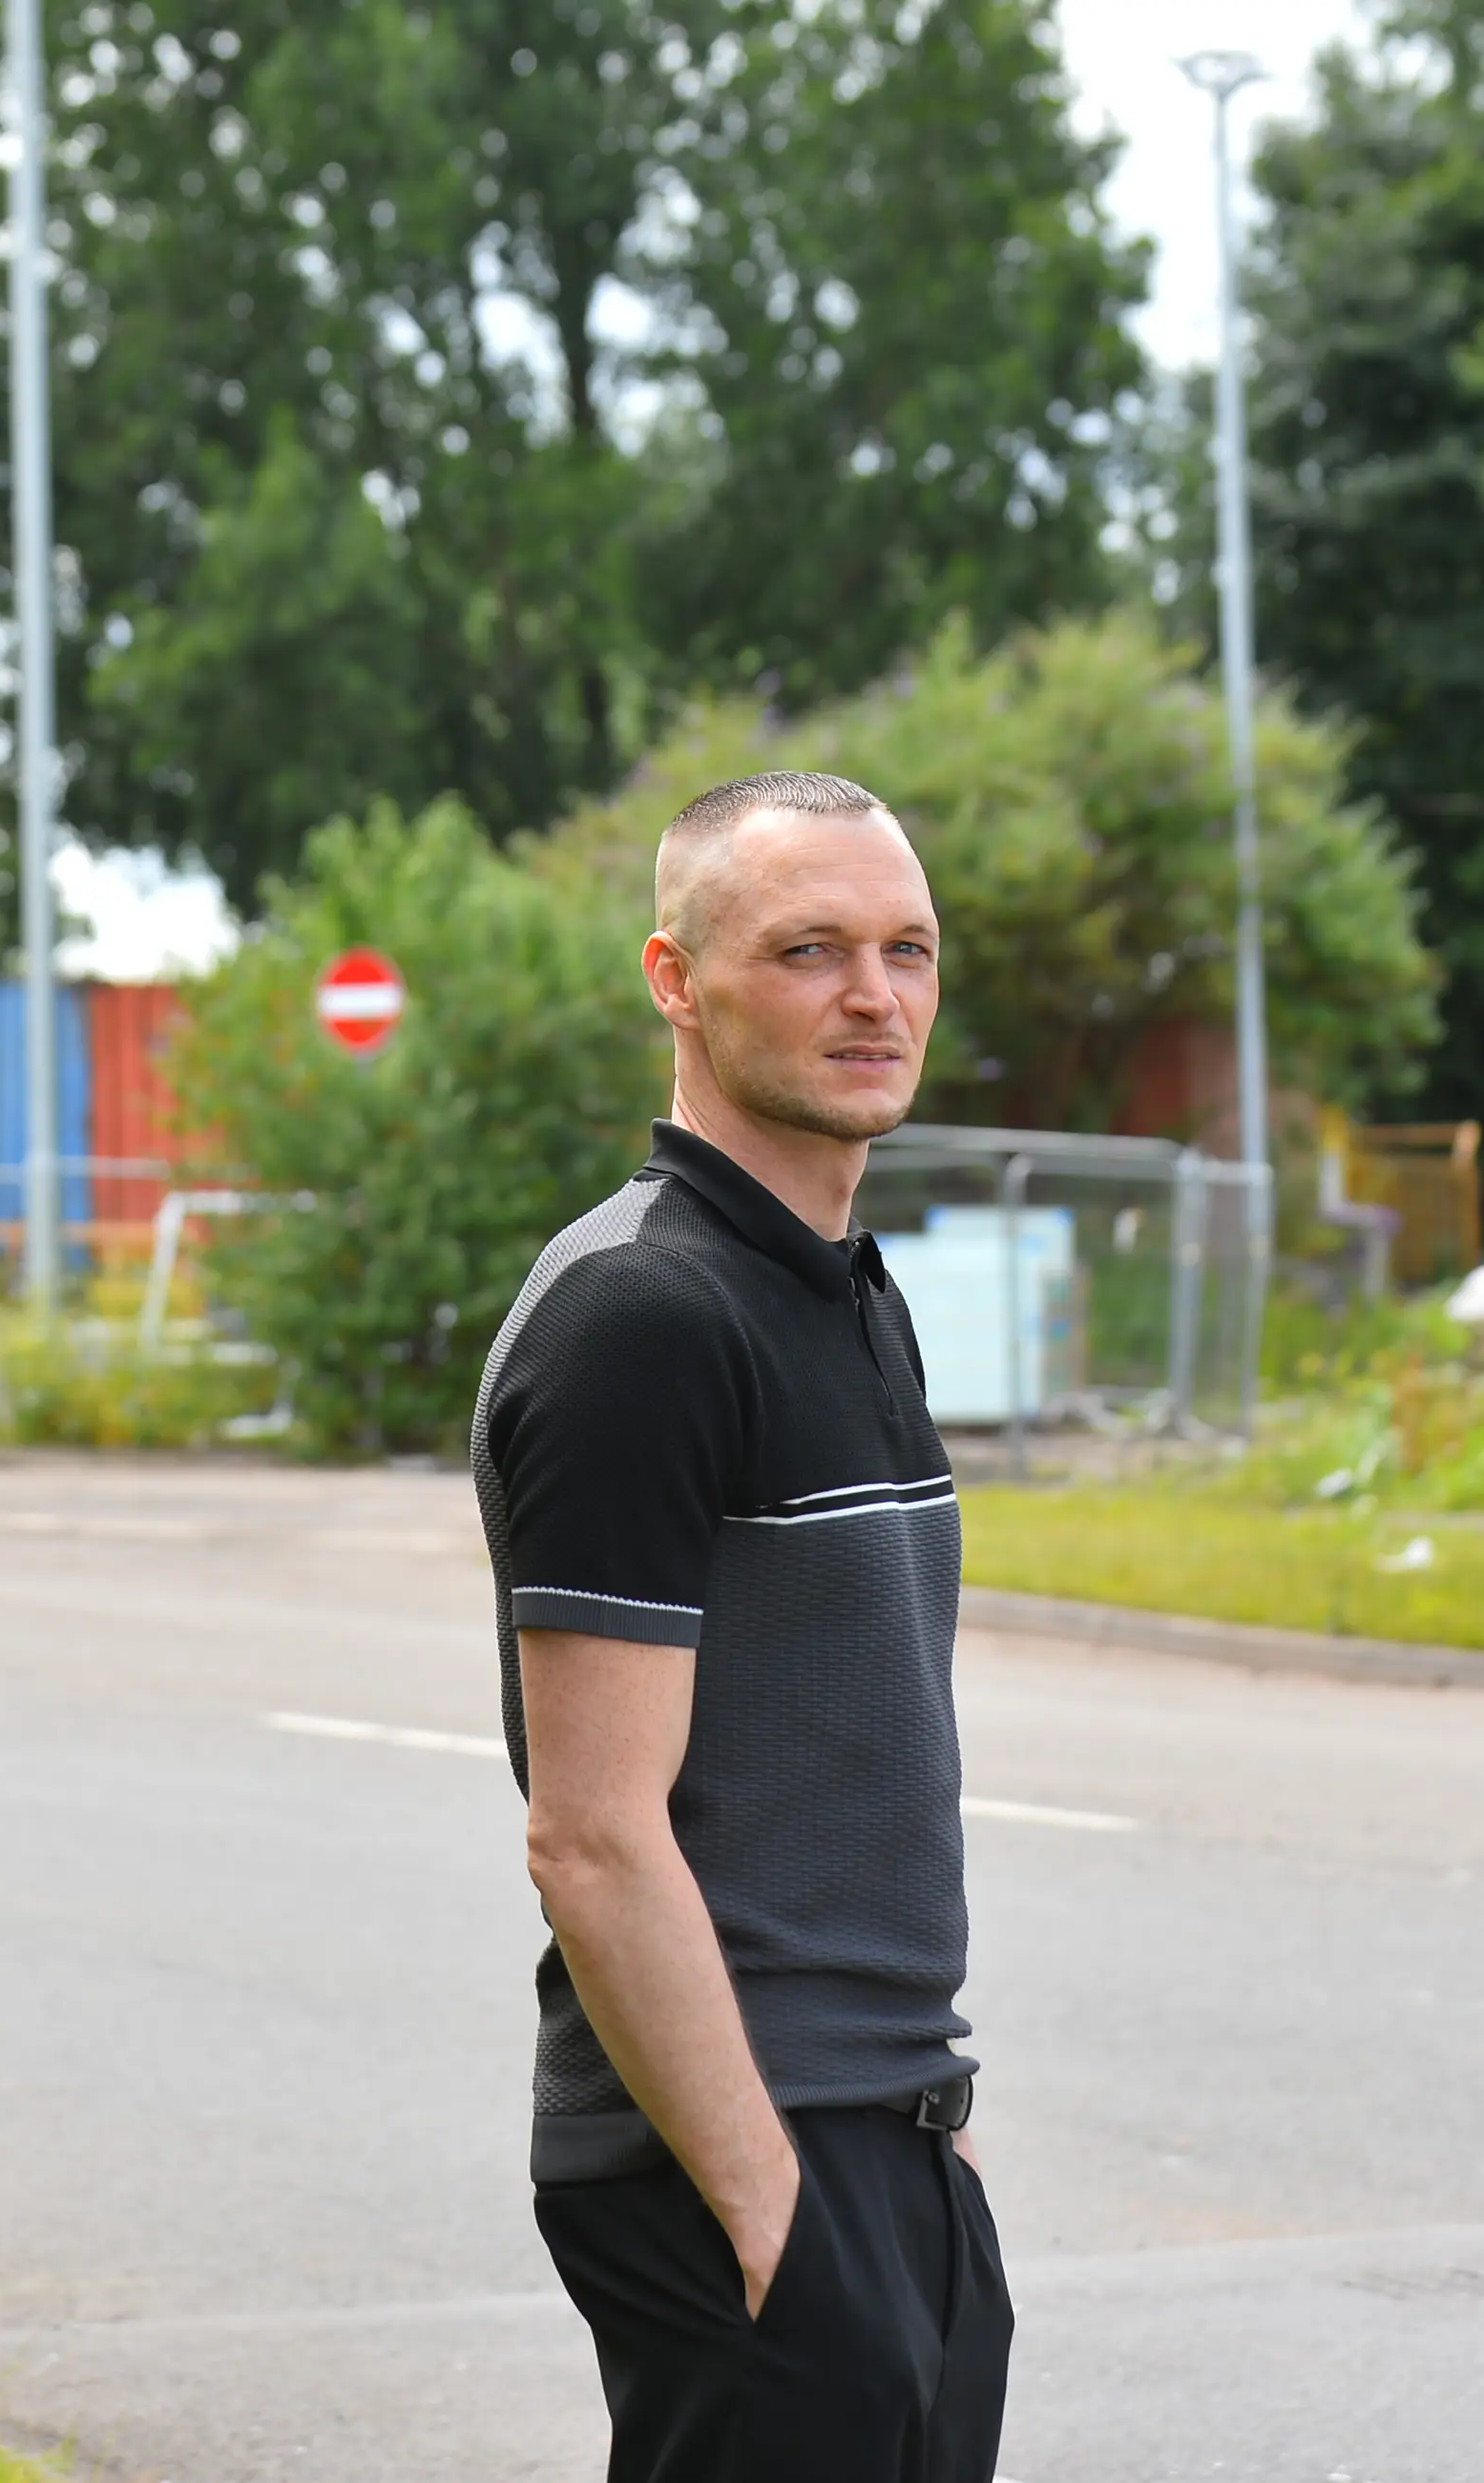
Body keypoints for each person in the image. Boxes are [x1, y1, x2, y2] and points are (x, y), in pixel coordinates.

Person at [470, 769, 1009, 2479]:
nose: (875, 995)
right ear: (675, 979)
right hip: (740, 2157)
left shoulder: (847, 1292)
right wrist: (771, 2200)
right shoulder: (643, 1314)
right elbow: (594, 1833)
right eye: (808, 949)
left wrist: (932, 2152)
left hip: (889, 2136)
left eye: (907, 949)